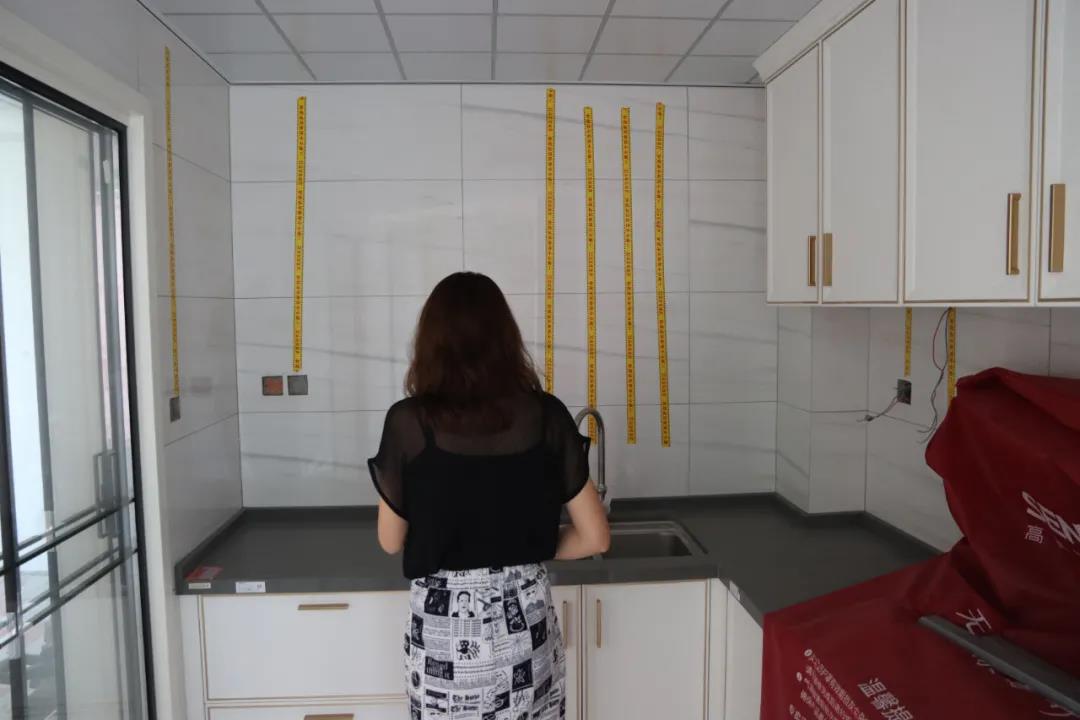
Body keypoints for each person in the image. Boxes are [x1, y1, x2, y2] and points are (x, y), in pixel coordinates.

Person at [368, 271, 610, 720]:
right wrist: (530, 546)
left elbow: (389, 540)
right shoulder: (547, 416)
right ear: (505, 339)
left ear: (430, 342)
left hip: (442, 636)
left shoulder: (409, 423)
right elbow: (596, 537)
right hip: (525, 625)